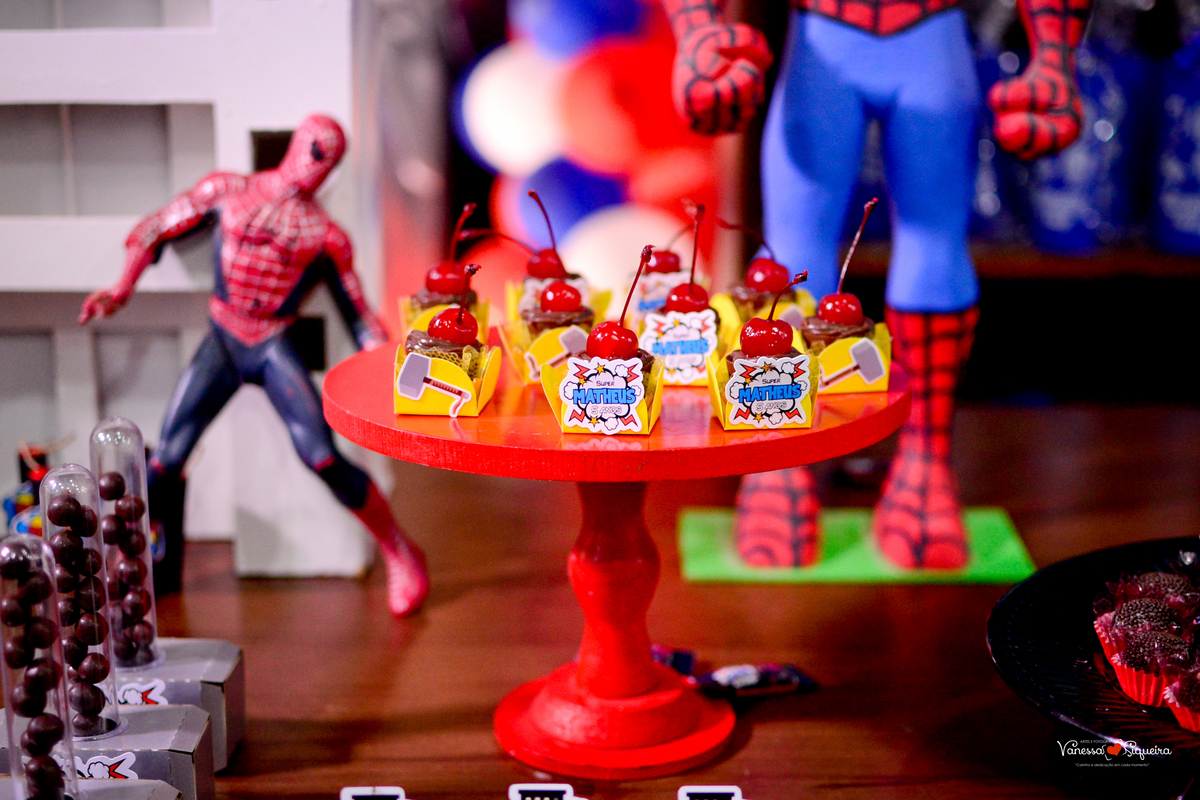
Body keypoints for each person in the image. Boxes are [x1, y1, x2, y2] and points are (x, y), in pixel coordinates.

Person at [664, 0, 1089, 567]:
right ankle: (785, 454)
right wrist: (697, 31)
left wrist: (1055, 58)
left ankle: (924, 463)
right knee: (799, 256)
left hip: (908, 40)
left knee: (923, 248)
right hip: (852, 41)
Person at [79, 114, 429, 615]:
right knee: (166, 457)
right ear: (296, 144)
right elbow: (156, 226)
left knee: (322, 455)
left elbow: (358, 311)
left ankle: (400, 551)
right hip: (224, 335)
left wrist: (395, 365)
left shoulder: (326, 236)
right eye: (315, 149)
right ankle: (113, 563)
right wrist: (121, 288)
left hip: (271, 341)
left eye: (329, 158)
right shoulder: (228, 191)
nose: (317, 165)